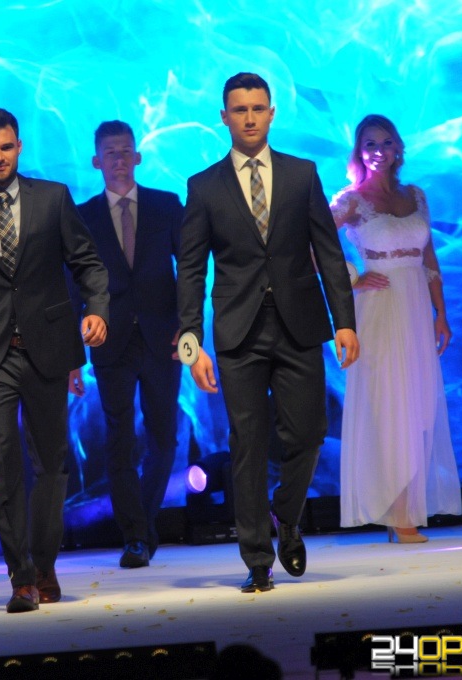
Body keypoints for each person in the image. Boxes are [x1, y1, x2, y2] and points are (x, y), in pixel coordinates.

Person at [176, 73, 359, 593]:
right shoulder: (204, 186)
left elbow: (329, 253)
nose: (250, 118)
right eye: (240, 109)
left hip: (299, 324)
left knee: (309, 432)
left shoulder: (302, 174)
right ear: (225, 117)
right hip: (239, 332)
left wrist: (345, 321)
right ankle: (257, 558)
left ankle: (287, 512)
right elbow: (191, 270)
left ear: (272, 113)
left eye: (258, 108)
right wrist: (191, 343)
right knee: (247, 444)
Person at [0, 108, 109, 612]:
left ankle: (44, 562)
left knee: (51, 463)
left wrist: (97, 310)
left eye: (6, 147)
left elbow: (88, 263)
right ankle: (21, 576)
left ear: (19, 146)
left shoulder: (52, 198)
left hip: (47, 347)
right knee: (2, 460)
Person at [330, 115, 462, 543]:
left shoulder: (415, 195)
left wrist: (441, 313)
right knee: (388, 403)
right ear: (358, 150)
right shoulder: (352, 200)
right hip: (379, 305)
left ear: (398, 148)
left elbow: (430, 259)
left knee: (418, 404)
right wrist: (352, 277)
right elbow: (312, 244)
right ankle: (397, 513)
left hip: (416, 307)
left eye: (386, 142)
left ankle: (404, 508)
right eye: (369, 143)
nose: (378, 151)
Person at [74, 120, 183, 568]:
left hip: (164, 337)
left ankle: (144, 522)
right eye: (110, 153)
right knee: (119, 439)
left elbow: (190, 268)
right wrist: (72, 354)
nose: (119, 159)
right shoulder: (82, 216)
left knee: (164, 438)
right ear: (96, 161)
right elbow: (72, 284)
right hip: (110, 340)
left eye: (125, 151)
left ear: (137, 156)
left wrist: (188, 325)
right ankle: (136, 536)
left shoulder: (166, 205)